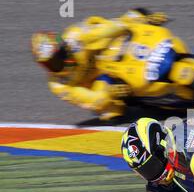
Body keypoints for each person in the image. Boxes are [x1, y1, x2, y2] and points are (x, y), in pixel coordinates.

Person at [31, 8, 169, 120]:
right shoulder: (58, 85)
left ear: (63, 46)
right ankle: (148, 100)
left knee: (135, 14)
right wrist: (110, 93)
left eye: (58, 56)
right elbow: (89, 99)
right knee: (111, 111)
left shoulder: (75, 36)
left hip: (107, 54)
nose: (57, 63)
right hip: (100, 81)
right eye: (50, 63)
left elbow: (106, 29)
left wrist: (141, 21)